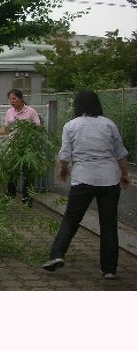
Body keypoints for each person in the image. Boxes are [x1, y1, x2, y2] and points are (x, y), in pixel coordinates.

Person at [42, 88, 130, 279]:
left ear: (77, 105)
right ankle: (109, 270)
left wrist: (63, 170)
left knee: (71, 220)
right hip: (109, 179)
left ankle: (57, 255)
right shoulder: (109, 124)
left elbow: (65, 154)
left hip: (83, 179)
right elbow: (120, 153)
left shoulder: (71, 126)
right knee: (108, 224)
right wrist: (124, 174)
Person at [0, 88, 41, 206]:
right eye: (10, 99)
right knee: (12, 172)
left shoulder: (31, 111)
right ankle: (10, 196)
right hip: (14, 146)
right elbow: (7, 129)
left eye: (14, 99)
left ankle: (27, 199)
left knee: (27, 173)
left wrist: (26, 127)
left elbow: (37, 128)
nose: (12, 101)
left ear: (21, 99)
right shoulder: (10, 112)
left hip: (27, 147)